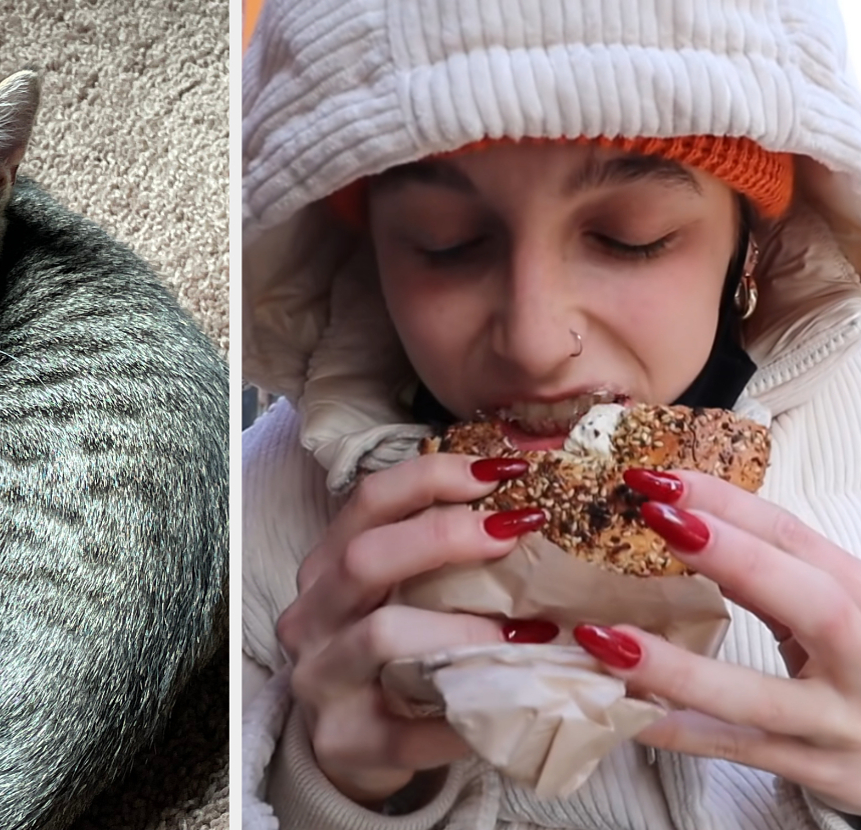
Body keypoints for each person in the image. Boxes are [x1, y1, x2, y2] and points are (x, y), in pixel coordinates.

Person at [241, 0, 861, 828]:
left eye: (632, 237)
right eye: (445, 241)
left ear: (747, 246)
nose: (534, 341)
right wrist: (335, 787)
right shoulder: (256, 522)